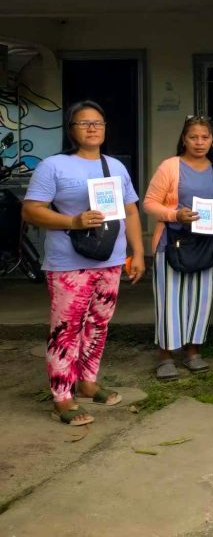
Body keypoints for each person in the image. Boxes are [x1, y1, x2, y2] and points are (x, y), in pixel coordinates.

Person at [22, 101, 145, 426]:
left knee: (98, 324)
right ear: (71, 129)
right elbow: (31, 210)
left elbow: (131, 210)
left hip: (111, 260)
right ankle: (62, 397)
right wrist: (73, 221)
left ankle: (87, 381)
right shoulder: (53, 166)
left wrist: (139, 253)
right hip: (68, 264)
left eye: (98, 122)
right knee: (66, 329)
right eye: (84, 122)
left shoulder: (116, 167)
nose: (92, 128)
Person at [144, 115, 213, 380]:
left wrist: (210, 212)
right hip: (173, 241)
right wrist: (175, 215)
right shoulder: (171, 167)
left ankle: (193, 351)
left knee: (200, 298)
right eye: (193, 137)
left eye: (205, 137)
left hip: (206, 242)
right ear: (184, 139)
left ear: (211, 140)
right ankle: (165, 355)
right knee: (170, 299)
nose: (199, 142)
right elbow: (150, 203)